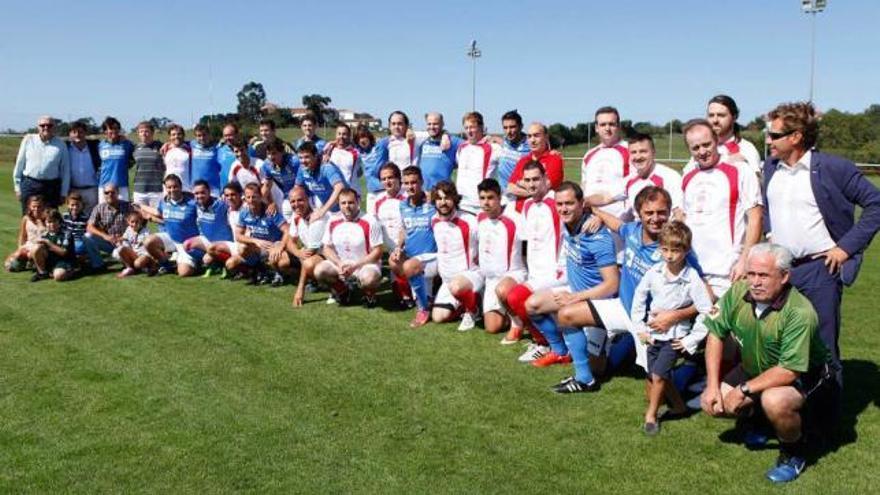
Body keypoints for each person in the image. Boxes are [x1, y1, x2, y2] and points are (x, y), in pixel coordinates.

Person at [763, 101, 880, 388]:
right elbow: (767, 208)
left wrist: (845, 249)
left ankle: (824, 428)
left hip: (820, 272)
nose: (768, 141)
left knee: (822, 350)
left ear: (796, 136)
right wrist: (768, 233)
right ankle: (784, 419)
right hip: (781, 271)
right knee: (775, 346)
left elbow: (875, 203)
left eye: (774, 135)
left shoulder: (833, 168)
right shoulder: (769, 167)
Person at [700, 243, 838, 484]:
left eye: (763, 275)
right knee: (713, 404)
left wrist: (743, 390)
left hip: (804, 375)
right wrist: (712, 385)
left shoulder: (800, 312)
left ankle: (793, 452)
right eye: (751, 274)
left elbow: (789, 370)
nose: (755, 282)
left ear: (785, 276)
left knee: (774, 400)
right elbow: (714, 333)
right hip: (757, 368)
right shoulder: (737, 292)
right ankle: (761, 420)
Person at [525, 181, 619, 391]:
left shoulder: (597, 235)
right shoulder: (568, 224)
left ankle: (618, 345)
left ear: (581, 204)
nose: (563, 209)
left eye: (569, 203)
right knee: (532, 304)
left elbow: (612, 285)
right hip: (577, 295)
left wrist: (576, 297)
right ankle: (560, 352)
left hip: (600, 302)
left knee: (601, 368)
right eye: (559, 204)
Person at [631, 221, 713, 434]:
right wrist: (639, 327)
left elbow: (708, 310)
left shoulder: (692, 278)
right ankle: (678, 406)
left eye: (675, 250)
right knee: (656, 375)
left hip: (675, 337)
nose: (669, 255)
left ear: (685, 251)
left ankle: (651, 415)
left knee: (658, 376)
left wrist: (691, 340)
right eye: (665, 249)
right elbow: (639, 297)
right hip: (653, 334)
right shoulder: (654, 272)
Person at [682, 118, 762, 297]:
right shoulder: (688, 176)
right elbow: (683, 218)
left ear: (717, 140)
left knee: (721, 323)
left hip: (727, 273)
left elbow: (756, 218)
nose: (702, 151)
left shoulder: (740, 170)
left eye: (706, 144)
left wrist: (744, 260)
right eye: (695, 148)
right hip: (692, 270)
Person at [503, 162, 563, 361]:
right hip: (536, 272)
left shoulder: (556, 200)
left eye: (536, 179)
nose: (532, 184)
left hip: (556, 272)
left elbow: (581, 204)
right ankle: (544, 342)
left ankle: (547, 344)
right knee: (516, 299)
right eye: (527, 180)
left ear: (546, 179)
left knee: (516, 298)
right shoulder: (528, 205)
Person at [473, 179, 526, 335]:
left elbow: (528, 246)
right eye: (482, 198)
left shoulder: (514, 218)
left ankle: (519, 322)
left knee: (502, 290)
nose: (486, 202)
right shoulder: (479, 219)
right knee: (492, 328)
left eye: (490, 198)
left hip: (513, 275)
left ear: (500, 197)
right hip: (490, 281)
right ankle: (511, 314)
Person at [314, 188, 383, 307]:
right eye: (343, 203)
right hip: (342, 265)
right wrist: (339, 263)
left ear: (358, 201)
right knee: (319, 271)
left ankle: (369, 295)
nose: (347, 206)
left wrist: (355, 266)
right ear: (339, 204)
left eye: (350, 202)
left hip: (364, 265)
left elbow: (378, 251)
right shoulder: (333, 221)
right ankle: (343, 291)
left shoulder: (370, 221)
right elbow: (327, 248)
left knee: (369, 279)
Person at [389, 166, 439, 328]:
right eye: (406, 183)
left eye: (414, 182)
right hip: (412, 257)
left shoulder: (433, 203)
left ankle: (423, 308)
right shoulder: (403, 205)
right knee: (393, 261)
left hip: (433, 258)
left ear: (422, 182)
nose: (410, 187)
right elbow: (404, 228)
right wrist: (398, 246)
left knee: (410, 266)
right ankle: (418, 294)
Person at [429, 181, 481, 329]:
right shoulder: (434, 220)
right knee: (438, 317)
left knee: (457, 287)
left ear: (455, 199)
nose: (443, 203)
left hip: (470, 275)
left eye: (447, 198)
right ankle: (465, 304)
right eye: (439, 199)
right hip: (447, 281)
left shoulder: (469, 220)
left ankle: (473, 310)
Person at [138, 174, 201, 277]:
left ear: (181, 187)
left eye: (175, 186)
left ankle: (194, 262)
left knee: (184, 273)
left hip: (187, 243)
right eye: (169, 187)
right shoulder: (164, 202)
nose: (172, 190)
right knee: (148, 241)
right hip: (171, 238)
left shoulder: (192, 203)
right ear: (166, 188)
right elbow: (158, 213)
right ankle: (167, 264)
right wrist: (141, 207)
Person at [227, 183, 290, 285]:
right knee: (233, 260)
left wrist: (280, 246)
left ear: (260, 197)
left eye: (254, 197)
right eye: (248, 197)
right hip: (258, 246)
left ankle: (277, 273)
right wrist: (255, 241)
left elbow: (287, 230)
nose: (251, 200)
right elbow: (238, 235)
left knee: (284, 262)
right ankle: (259, 270)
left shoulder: (270, 211)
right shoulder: (244, 213)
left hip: (273, 245)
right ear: (245, 198)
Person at [685, 95, 762, 177]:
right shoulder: (702, 149)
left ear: (734, 117)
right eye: (711, 115)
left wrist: (744, 166)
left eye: (721, 115)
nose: (715, 120)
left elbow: (757, 184)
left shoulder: (746, 149)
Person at [373, 163, 412, 307]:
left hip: (409, 248)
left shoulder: (407, 198)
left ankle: (410, 294)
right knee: (396, 295)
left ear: (398, 178)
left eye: (391, 177)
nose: (387, 182)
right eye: (383, 179)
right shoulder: (377, 201)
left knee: (406, 295)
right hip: (390, 250)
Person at [13, 115, 70, 212]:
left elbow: (65, 171)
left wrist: (63, 193)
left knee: (50, 220)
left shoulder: (61, 144)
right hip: (30, 185)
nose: (46, 127)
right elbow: (19, 165)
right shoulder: (28, 140)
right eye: (42, 125)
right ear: (38, 127)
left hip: (51, 187)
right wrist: (17, 188)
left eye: (49, 125)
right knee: (29, 219)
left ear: (54, 127)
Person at [619, 133, 682, 220]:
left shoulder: (670, 177)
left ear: (653, 152)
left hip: (663, 230)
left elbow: (679, 213)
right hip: (639, 231)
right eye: (633, 152)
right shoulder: (629, 180)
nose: (638, 157)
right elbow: (605, 198)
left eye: (643, 151)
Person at [581, 106, 630, 218]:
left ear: (618, 126)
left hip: (618, 221)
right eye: (603, 124)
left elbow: (633, 188)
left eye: (611, 124)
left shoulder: (630, 151)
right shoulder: (589, 154)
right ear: (596, 128)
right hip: (590, 219)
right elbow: (584, 186)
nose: (607, 128)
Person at [506, 122, 565, 211]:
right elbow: (510, 187)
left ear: (546, 137)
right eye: (529, 136)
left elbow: (546, 186)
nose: (532, 140)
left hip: (543, 212)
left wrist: (521, 183)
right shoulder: (523, 161)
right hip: (520, 212)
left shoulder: (554, 159)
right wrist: (536, 190)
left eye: (536, 136)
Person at [294, 141, 346, 235]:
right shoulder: (302, 169)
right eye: (300, 158)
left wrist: (322, 211)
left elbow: (339, 187)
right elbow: (297, 189)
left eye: (307, 157)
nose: (303, 161)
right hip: (327, 208)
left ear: (315, 156)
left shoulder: (326, 167)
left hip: (344, 208)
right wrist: (305, 210)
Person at [186, 180, 235, 277]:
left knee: (209, 258)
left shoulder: (221, 204)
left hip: (224, 243)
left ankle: (221, 264)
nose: (199, 196)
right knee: (187, 246)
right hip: (208, 241)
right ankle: (213, 264)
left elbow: (237, 201)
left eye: (203, 192)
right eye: (196, 193)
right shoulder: (196, 205)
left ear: (209, 192)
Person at [455, 112, 500, 214]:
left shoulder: (493, 148)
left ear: (481, 127)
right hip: (461, 204)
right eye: (466, 128)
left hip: (481, 205)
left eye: (472, 127)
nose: (469, 131)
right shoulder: (461, 148)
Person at [288, 187, 325, 307]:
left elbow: (311, 253)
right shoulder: (296, 217)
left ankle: (340, 288)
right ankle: (315, 281)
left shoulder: (317, 218)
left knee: (308, 263)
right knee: (283, 260)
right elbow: (290, 241)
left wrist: (300, 289)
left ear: (308, 199)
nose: (296, 204)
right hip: (313, 255)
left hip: (329, 257)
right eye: (292, 202)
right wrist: (298, 253)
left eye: (300, 200)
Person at [415, 112, 462, 191]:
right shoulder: (422, 141)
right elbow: (407, 133)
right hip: (423, 192)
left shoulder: (452, 141)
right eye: (429, 124)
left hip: (443, 193)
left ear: (442, 124)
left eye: (435, 124)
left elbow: (471, 144)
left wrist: (487, 139)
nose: (432, 127)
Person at [85, 183, 132, 260]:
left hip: (124, 241)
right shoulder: (99, 208)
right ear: (103, 194)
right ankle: (98, 264)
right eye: (107, 192)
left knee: (118, 255)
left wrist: (123, 238)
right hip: (108, 241)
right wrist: (105, 236)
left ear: (118, 193)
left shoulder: (128, 206)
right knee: (87, 236)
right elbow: (89, 227)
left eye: (112, 192)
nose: (110, 194)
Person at [61, 192, 103, 271]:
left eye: (77, 205)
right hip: (67, 242)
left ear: (82, 205)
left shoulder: (85, 218)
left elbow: (88, 233)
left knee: (81, 244)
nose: (75, 207)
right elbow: (62, 231)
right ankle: (74, 262)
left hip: (79, 243)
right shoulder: (65, 217)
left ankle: (86, 261)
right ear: (67, 205)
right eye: (72, 205)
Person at [30, 209, 74, 282]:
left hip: (64, 261)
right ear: (45, 223)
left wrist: (48, 242)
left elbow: (63, 252)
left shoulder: (66, 234)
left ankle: (72, 271)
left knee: (58, 276)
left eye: (54, 221)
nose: (52, 224)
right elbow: (36, 251)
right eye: (49, 222)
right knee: (36, 247)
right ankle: (42, 273)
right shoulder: (44, 234)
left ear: (59, 222)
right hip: (51, 261)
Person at [66, 121, 101, 214]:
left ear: (85, 133)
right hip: (74, 190)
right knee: (75, 218)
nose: (77, 135)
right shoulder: (66, 148)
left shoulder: (94, 146)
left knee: (93, 218)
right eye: (74, 132)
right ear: (70, 134)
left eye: (81, 132)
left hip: (92, 190)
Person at [97, 117, 134, 202]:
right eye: (111, 128)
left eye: (116, 128)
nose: (114, 131)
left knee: (124, 213)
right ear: (105, 131)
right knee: (104, 212)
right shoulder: (100, 145)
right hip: (104, 185)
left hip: (122, 185)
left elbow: (137, 151)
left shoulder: (127, 144)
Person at [5, 195, 46, 272]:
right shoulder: (26, 218)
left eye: (39, 206)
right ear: (29, 206)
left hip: (40, 247)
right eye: (34, 206)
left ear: (43, 206)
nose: (36, 209)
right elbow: (22, 236)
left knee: (31, 254)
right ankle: (27, 262)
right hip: (28, 245)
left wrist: (41, 224)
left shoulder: (47, 219)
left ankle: (33, 263)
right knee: (9, 265)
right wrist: (20, 248)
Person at [260, 140, 299, 217]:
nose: (271, 157)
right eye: (268, 154)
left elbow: (303, 182)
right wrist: (259, 200)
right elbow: (267, 185)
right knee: (288, 220)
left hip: (303, 195)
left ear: (282, 152)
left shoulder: (295, 161)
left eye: (274, 153)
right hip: (287, 197)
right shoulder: (266, 165)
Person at [131, 121, 165, 208]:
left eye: (146, 131)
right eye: (141, 131)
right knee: (139, 218)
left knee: (158, 217)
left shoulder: (161, 146)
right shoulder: (135, 148)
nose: (144, 134)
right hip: (139, 190)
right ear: (138, 134)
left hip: (157, 190)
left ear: (152, 133)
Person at [354, 126, 388, 212]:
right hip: (371, 192)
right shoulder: (359, 150)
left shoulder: (381, 144)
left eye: (364, 137)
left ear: (369, 136)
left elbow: (395, 137)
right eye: (359, 139)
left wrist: (408, 131)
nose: (362, 140)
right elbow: (344, 143)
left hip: (384, 190)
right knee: (371, 219)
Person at [323, 123, 362, 197]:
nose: (341, 136)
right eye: (339, 134)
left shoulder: (355, 153)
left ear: (349, 136)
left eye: (344, 134)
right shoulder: (329, 149)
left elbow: (359, 172)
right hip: (333, 193)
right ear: (336, 135)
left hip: (350, 193)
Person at [495, 110, 530, 189]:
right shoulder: (504, 143)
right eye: (505, 128)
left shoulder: (530, 145)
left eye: (512, 127)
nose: (508, 131)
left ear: (521, 126)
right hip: (503, 196)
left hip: (522, 196)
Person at [114, 210, 154, 278]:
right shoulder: (129, 229)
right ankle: (129, 268)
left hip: (144, 254)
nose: (134, 224)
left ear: (141, 222)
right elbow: (124, 238)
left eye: (137, 222)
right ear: (128, 222)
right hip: (135, 253)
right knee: (120, 249)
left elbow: (150, 243)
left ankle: (147, 266)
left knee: (137, 264)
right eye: (132, 222)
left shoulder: (146, 231)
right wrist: (117, 239)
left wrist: (143, 241)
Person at [190, 124, 221, 196]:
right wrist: (167, 144)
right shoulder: (192, 144)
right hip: (196, 189)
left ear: (209, 135)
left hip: (213, 189)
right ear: (195, 137)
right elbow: (178, 143)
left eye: (204, 135)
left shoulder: (217, 147)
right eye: (199, 135)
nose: (202, 138)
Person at [162, 124, 192, 191]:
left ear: (183, 135)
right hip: (169, 189)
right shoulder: (165, 149)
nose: (176, 136)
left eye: (179, 134)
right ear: (169, 137)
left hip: (186, 188)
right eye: (173, 134)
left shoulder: (190, 148)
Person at [216, 123, 240, 189]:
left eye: (230, 135)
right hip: (225, 192)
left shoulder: (248, 149)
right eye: (225, 136)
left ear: (237, 135)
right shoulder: (219, 150)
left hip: (242, 192)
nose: (227, 138)